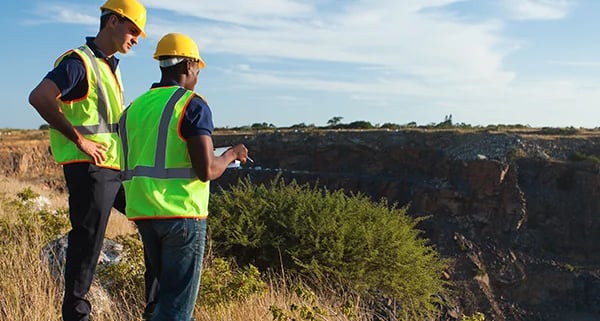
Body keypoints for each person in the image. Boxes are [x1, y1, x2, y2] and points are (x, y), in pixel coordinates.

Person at [27, 1, 156, 320]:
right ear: (113, 21)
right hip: (89, 168)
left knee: (155, 220)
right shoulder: (78, 62)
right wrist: (80, 140)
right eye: (133, 30)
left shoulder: (111, 66)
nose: (137, 38)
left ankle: (156, 308)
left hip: (114, 167)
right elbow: (39, 97)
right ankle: (76, 314)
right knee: (87, 244)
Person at [118, 32, 248, 320]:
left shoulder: (133, 109)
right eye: (198, 68)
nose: (198, 75)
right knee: (177, 310)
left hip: (144, 213)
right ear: (189, 65)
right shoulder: (192, 104)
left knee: (160, 304)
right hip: (182, 215)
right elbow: (207, 170)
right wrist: (231, 154)